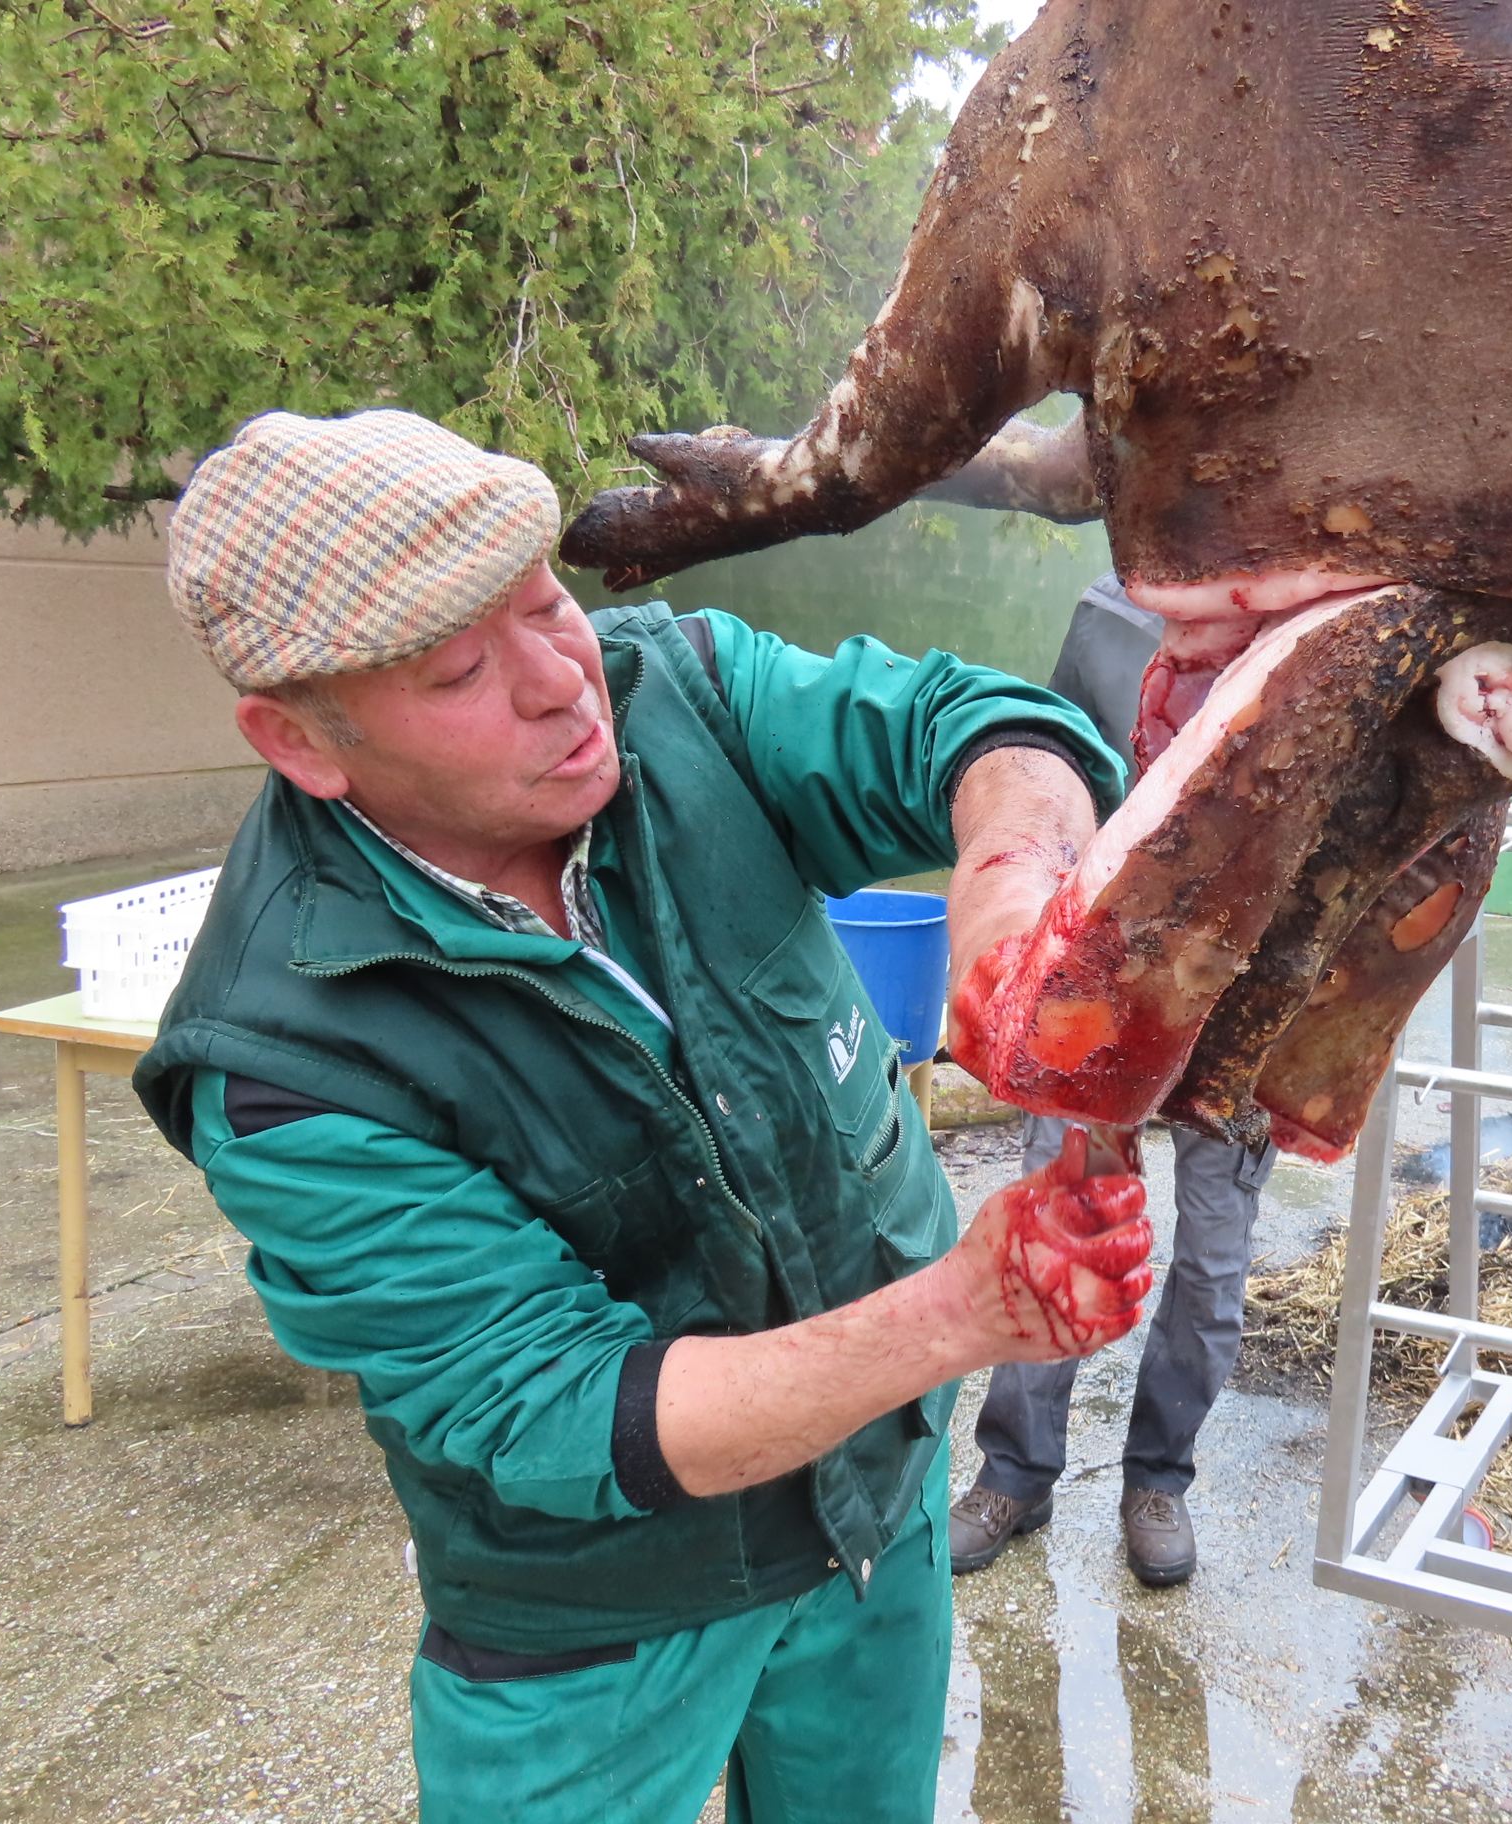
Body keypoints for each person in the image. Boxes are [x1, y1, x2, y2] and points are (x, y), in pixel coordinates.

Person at [130, 410, 1156, 1823]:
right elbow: (562, 1407)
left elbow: (965, 724)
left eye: (546, 600)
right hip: (596, 1617)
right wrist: (968, 1314)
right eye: (458, 671)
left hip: (876, 1502)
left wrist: (1012, 878)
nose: (562, 680)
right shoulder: (284, 1060)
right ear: (301, 740)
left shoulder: (685, 693)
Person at [948, 573, 1280, 1589]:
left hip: (1253, 1003)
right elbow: (1054, 774)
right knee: (1055, 1222)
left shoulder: (1324, 628)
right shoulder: (1109, 612)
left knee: (1212, 1268)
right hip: (1105, 986)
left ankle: (1158, 1482)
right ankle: (1014, 1472)